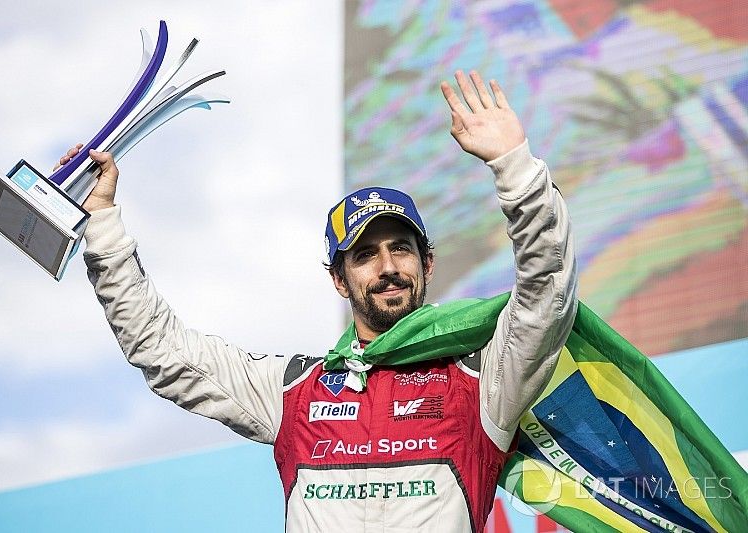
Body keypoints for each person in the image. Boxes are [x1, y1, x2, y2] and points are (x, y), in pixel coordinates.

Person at [59, 70, 577, 531]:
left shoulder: (482, 381)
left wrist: (515, 167)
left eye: (402, 249)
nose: (389, 267)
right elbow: (159, 349)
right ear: (339, 280)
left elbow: (545, 292)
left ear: (428, 264)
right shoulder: (293, 390)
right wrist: (102, 220)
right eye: (366, 255)